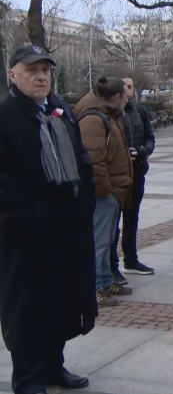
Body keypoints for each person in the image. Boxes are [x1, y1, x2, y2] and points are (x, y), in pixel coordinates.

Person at [0, 45, 97, 394]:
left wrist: (85, 202)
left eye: (46, 70)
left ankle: (53, 366)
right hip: (24, 233)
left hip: (64, 227)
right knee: (27, 307)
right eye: (32, 70)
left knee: (60, 301)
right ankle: (27, 377)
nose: (41, 76)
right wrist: (26, 215)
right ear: (13, 75)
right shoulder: (7, 115)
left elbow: (81, 160)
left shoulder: (60, 111)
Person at [76, 76, 135, 307]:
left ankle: (105, 280)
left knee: (106, 240)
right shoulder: (94, 118)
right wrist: (106, 191)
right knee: (98, 242)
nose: (128, 100)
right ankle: (95, 287)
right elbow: (93, 159)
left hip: (112, 192)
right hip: (104, 194)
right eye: (126, 95)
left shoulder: (106, 114)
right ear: (117, 97)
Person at [111, 76, 156, 285]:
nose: (127, 91)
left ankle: (131, 259)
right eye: (123, 87)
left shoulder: (140, 111)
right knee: (113, 221)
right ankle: (112, 266)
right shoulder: (112, 114)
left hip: (137, 171)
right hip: (118, 174)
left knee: (132, 218)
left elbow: (150, 137)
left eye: (130, 86)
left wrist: (144, 150)